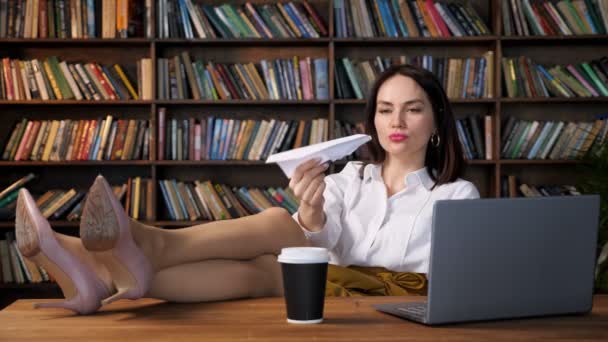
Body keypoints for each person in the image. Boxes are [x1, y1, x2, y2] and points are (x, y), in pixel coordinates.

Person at [14, 64, 479, 315]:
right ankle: (105, 273)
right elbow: (319, 241)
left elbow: (451, 280)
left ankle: (116, 248)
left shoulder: (456, 195)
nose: (396, 122)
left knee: (277, 243)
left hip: (394, 305)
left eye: (412, 109)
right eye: (385, 109)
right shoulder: (348, 177)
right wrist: (312, 212)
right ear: (373, 118)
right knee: (274, 249)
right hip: (322, 289)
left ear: (436, 120)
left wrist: (310, 232)